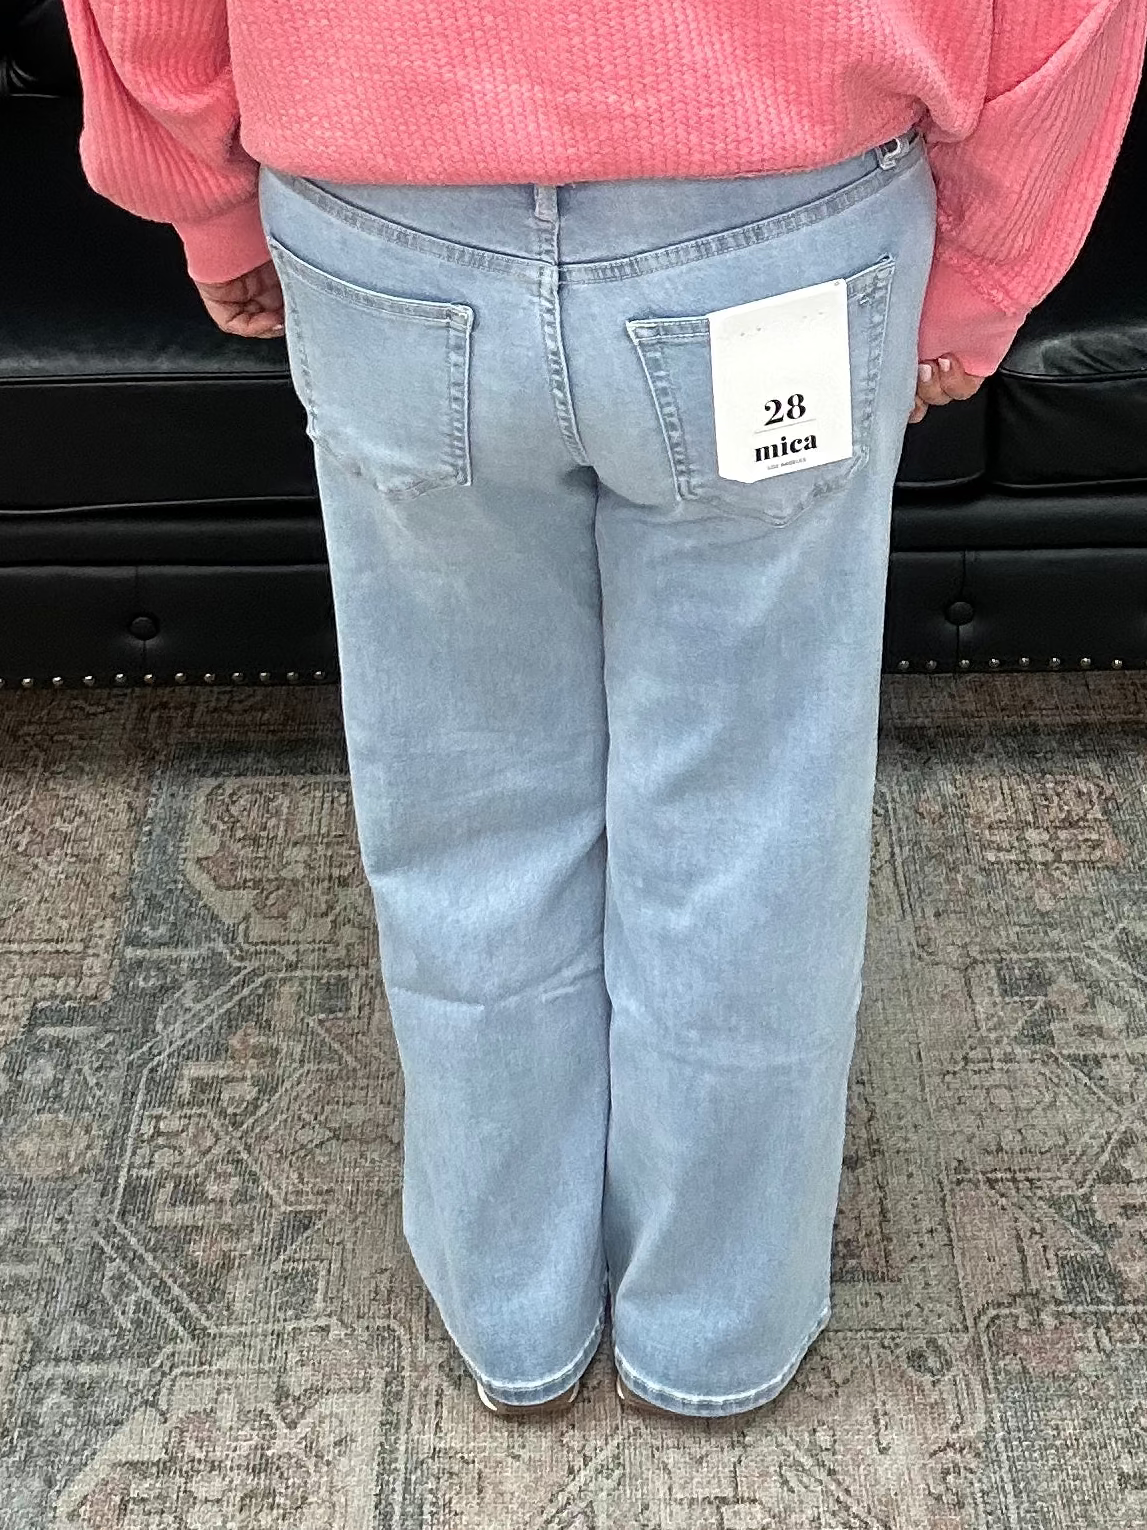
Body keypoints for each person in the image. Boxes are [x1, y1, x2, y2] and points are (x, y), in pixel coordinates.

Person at [61, 0, 1147, 1421]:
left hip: (381, 196)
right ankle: (712, 1324)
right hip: (782, 219)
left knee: (457, 791)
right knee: (750, 810)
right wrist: (991, 264)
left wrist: (200, 190)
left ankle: (513, 1302)